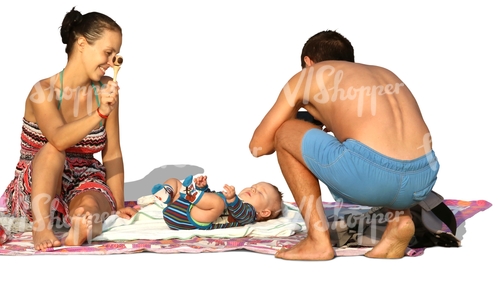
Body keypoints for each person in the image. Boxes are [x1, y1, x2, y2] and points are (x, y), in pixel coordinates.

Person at [249, 30, 440, 260]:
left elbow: (259, 146)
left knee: (285, 131)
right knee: (378, 146)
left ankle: (317, 241)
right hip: (422, 180)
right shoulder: (384, 73)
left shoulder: (309, 75)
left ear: (308, 62)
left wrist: (302, 118)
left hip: (370, 179)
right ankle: (400, 220)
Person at [0, 7, 139, 251]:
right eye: (107, 53)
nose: (111, 62)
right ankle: (42, 226)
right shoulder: (43, 91)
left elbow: (112, 152)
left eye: (116, 54)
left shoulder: (107, 88)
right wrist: (99, 113)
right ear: (82, 43)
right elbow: (59, 139)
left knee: (91, 207)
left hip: (84, 176)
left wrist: (116, 206)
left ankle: (82, 226)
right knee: (54, 150)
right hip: (39, 183)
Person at [147, 175, 284, 230]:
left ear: (264, 212)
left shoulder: (249, 213)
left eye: (260, 192)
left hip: (194, 219)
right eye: (253, 186)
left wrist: (232, 200)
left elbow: (239, 212)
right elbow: (209, 200)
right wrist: (204, 188)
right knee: (174, 181)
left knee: (218, 203)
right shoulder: (230, 198)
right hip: (180, 208)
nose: (253, 190)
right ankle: (166, 193)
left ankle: (192, 194)